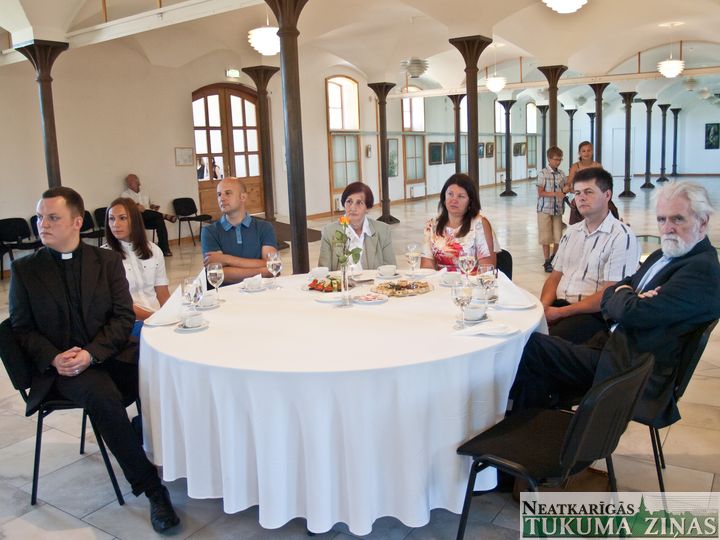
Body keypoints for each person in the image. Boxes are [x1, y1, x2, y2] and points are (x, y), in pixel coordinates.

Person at [8, 187, 180, 533]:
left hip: (108, 352)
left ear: (77, 222)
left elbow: (122, 317)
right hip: (66, 368)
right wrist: (54, 357)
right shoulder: (26, 270)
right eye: (39, 217)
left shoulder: (106, 262)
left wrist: (93, 352)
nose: (42, 224)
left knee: (166, 370)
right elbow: (22, 329)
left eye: (52, 217)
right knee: (103, 397)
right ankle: (152, 488)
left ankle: (167, 445)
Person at [509, 181, 720, 427]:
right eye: (662, 219)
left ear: (703, 221)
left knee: (530, 347)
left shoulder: (701, 270)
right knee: (539, 358)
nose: (667, 228)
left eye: (678, 219)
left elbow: (632, 312)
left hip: (631, 369)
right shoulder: (665, 254)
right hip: (612, 346)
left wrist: (626, 298)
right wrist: (627, 295)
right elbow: (618, 289)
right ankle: (536, 433)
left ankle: (528, 434)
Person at [542, 167, 639, 344]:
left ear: (607, 195)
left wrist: (560, 313)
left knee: (541, 344)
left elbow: (611, 293)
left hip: (593, 315)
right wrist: (543, 308)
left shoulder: (621, 236)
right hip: (560, 306)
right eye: (577, 193)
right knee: (521, 334)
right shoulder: (571, 232)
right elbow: (555, 277)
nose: (581, 198)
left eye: (588, 192)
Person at [104, 198, 170, 327]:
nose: (115, 224)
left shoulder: (154, 250)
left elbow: (162, 291)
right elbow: (120, 305)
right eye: (111, 219)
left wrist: (170, 315)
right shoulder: (104, 257)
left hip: (156, 317)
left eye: (122, 218)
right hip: (128, 322)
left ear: (134, 221)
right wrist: (156, 319)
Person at [201, 177, 278, 284]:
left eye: (228, 193)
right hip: (226, 293)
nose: (221, 198)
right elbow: (218, 275)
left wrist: (226, 259)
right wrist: (262, 270)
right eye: (219, 194)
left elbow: (273, 267)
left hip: (261, 291)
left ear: (243, 197)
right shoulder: (209, 232)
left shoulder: (265, 227)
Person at [421, 173, 499, 271]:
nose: (454, 200)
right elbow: (426, 268)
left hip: (471, 280)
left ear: (470, 201)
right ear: (444, 198)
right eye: (450, 194)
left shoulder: (480, 224)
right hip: (440, 280)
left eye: (461, 196)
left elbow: (486, 270)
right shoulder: (432, 225)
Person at [318, 182, 396, 271]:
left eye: (359, 203)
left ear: (368, 208)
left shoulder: (383, 230)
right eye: (349, 201)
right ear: (344, 204)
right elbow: (324, 273)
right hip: (342, 280)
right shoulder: (329, 232)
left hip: (373, 280)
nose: (352, 208)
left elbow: (391, 269)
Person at [121, 173, 176, 257]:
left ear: (137, 181)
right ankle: (164, 215)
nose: (129, 183)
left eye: (131, 181)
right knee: (142, 212)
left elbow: (150, 205)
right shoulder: (125, 195)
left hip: (149, 218)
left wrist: (153, 206)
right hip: (136, 220)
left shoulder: (145, 192)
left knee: (159, 221)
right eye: (128, 181)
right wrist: (136, 207)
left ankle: (164, 249)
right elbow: (125, 209)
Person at [566, 141, 619, 225]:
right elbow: (569, 183)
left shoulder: (597, 166)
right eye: (583, 151)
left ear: (592, 151)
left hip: (595, 195)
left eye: (588, 150)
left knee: (611, 207)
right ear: (579, 153)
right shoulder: (575, 166)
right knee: (576, 205)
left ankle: (611, 225)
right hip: (581, 195)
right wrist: (574, 190)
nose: (586, 153)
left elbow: (604, 182)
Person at [537, 146, 567, 273]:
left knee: (557, 235)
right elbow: (540, 192)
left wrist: (568, 189)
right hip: (544, 210)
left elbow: (564, 188)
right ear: (549, 159)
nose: (558, 162)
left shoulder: (562, 174)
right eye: (555, 159)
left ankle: (555, 257)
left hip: (558, 209)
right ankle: (547, 260)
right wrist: (555, 194)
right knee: (546, 236)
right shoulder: (543, 173)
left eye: (560, 159)